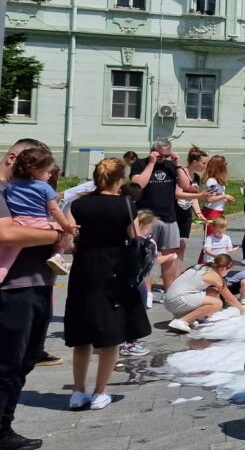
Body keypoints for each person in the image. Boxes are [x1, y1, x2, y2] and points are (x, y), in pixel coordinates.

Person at [62, 158, 151, 412]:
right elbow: (135, 238)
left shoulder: (78, 204)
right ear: (120, 180)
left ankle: (78, 391)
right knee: (110, 333)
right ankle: (100, 392)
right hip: (114, 270)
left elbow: (69, 242)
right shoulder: (126, 205)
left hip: (84, 268)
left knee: (82, 333)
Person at [0, 138, 69, 450]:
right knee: (7, 364)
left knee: (25, 360)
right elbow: (7, 233)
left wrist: (64, 237)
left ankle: (5, 426)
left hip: (40, 281)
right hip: (12, 288)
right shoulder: (3, 190)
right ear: (14, 157)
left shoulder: (28, 189)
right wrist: (56, 233)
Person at [131, 139, 199, 293]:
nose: (164, 159)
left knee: (171, 257)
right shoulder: (140, 164)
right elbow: (138, 184)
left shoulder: (170, 166)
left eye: (166, 156)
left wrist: (177, 164)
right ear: (153, 151)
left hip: (169, 216)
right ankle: (146, 292)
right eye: (161, 156)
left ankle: (169, 291)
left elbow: (186, 185)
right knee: (144, 256)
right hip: (147, 217)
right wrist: (151, 163)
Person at [1, 147, 76, 277]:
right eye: (47, 171)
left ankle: (1, 274)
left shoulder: (12, 184)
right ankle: (57, 256)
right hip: (39, 222)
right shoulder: (44, 187)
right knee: (64, 235)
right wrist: (65, 226)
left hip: (18, 223)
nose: (50, 175)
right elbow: (54, 209)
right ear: (35, 171)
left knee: (8, 258)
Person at [164, 254, 245, 333]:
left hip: (169, 300)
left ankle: (181, 316)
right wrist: (242, 310)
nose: (227, 273)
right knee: (217, 304)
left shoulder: (200, 266)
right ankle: (182, 321)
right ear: (223, 269)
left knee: (213, 291)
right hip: (178, 300)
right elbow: (229, 298)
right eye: (228, 271)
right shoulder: (214, 276)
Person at [202, 155, 233, 236]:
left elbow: (215, 196)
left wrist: (224, 199)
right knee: (212, 238)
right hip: (211, 212)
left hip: (218, 211)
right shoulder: (212, 181)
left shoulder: (217, 181)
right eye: (225, 164)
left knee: (216, 238)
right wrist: (224, 196)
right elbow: (209, 199)